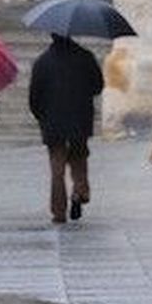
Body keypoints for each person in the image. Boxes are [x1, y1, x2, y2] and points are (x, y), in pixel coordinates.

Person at [29, 33, 104, 224]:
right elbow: (98, 86)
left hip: (52, 122)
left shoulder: (42, 62)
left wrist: (42, 116)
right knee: (79, 157)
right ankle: (80, 191)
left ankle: (58, 212)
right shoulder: (85, 57)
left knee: (57, 169)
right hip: (79, 118)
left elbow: (34, 98)